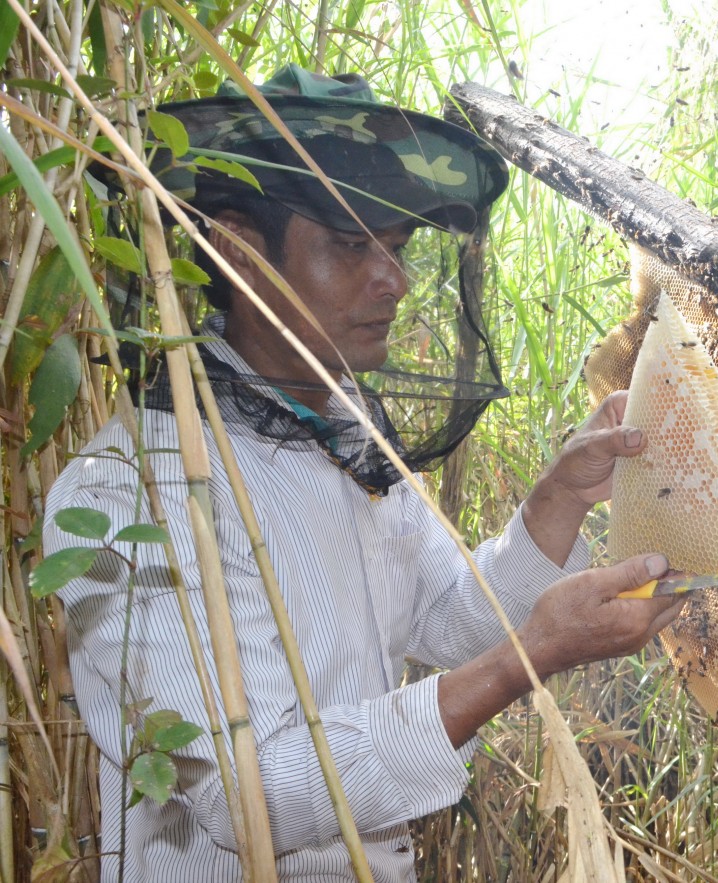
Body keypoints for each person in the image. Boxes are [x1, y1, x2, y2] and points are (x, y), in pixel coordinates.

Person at [44, 65, 683, 882]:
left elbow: (450, 621)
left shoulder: (343, 427)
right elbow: (252, 800)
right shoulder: (130, 492)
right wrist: (530, 654)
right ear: (236, 245)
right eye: (352, 246)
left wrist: (558, 498)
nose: (395, 279)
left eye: (399, 246)